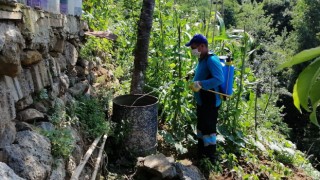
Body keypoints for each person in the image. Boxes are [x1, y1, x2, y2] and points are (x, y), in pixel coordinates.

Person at [185, 34, 224, 163]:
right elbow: (201, 70)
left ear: (202, 46)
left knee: (209, 128)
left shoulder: (212, 60)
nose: (193, 50)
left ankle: (210, 158)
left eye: (194, 47)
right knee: (201, 127)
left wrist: (201, 84)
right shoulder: (202, 58)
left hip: (210, 100)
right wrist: (192, 73)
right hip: (203, 100)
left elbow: (219, 79)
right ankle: (201, 155)